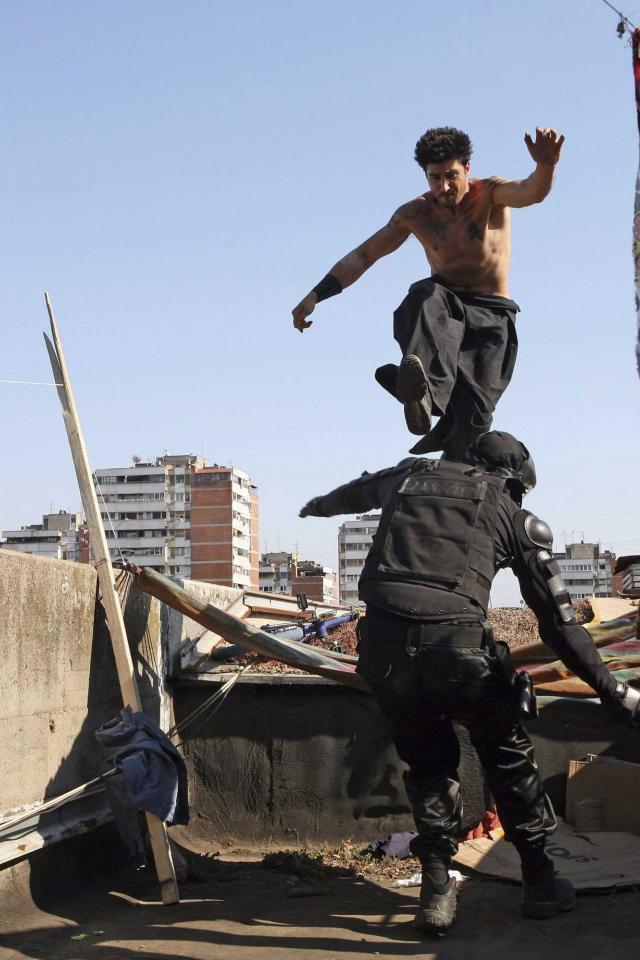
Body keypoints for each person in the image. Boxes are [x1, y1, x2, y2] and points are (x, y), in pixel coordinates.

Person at [299, 432, 639, 935]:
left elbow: (354, 493)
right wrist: (615, 693)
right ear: (514, 481)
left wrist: (314, 506)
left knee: (428, 763)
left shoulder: (408, 475)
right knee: (508, 757)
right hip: (456, 651)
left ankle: (437, 890)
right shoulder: (515, 515)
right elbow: (560, 624)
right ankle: (540, 881)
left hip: (383, 651)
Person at [291, 126, 565, 459]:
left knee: (473, 421)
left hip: (493, 315)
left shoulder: (490, 193)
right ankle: (422, 393)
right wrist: (315, 295)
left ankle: (455, 463)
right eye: (435, 178)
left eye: (451, 176)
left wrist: (546, 166)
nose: (444, 187)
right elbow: (364, 255)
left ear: (467, 168)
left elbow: (530, 191)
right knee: (424, 295)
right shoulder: (416, 213)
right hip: (446, 311)